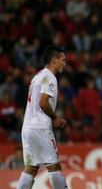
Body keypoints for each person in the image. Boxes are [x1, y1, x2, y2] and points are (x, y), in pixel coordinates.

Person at [17, 45, 68, 189]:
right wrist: (55, 118)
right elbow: (43, 101)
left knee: (31, 167)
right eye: (63, 60)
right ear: (54, 60)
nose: (64, 63)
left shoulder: (38, 76)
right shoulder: (50, 77)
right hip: (40, 127)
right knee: (54, 165)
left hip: (27, 127)